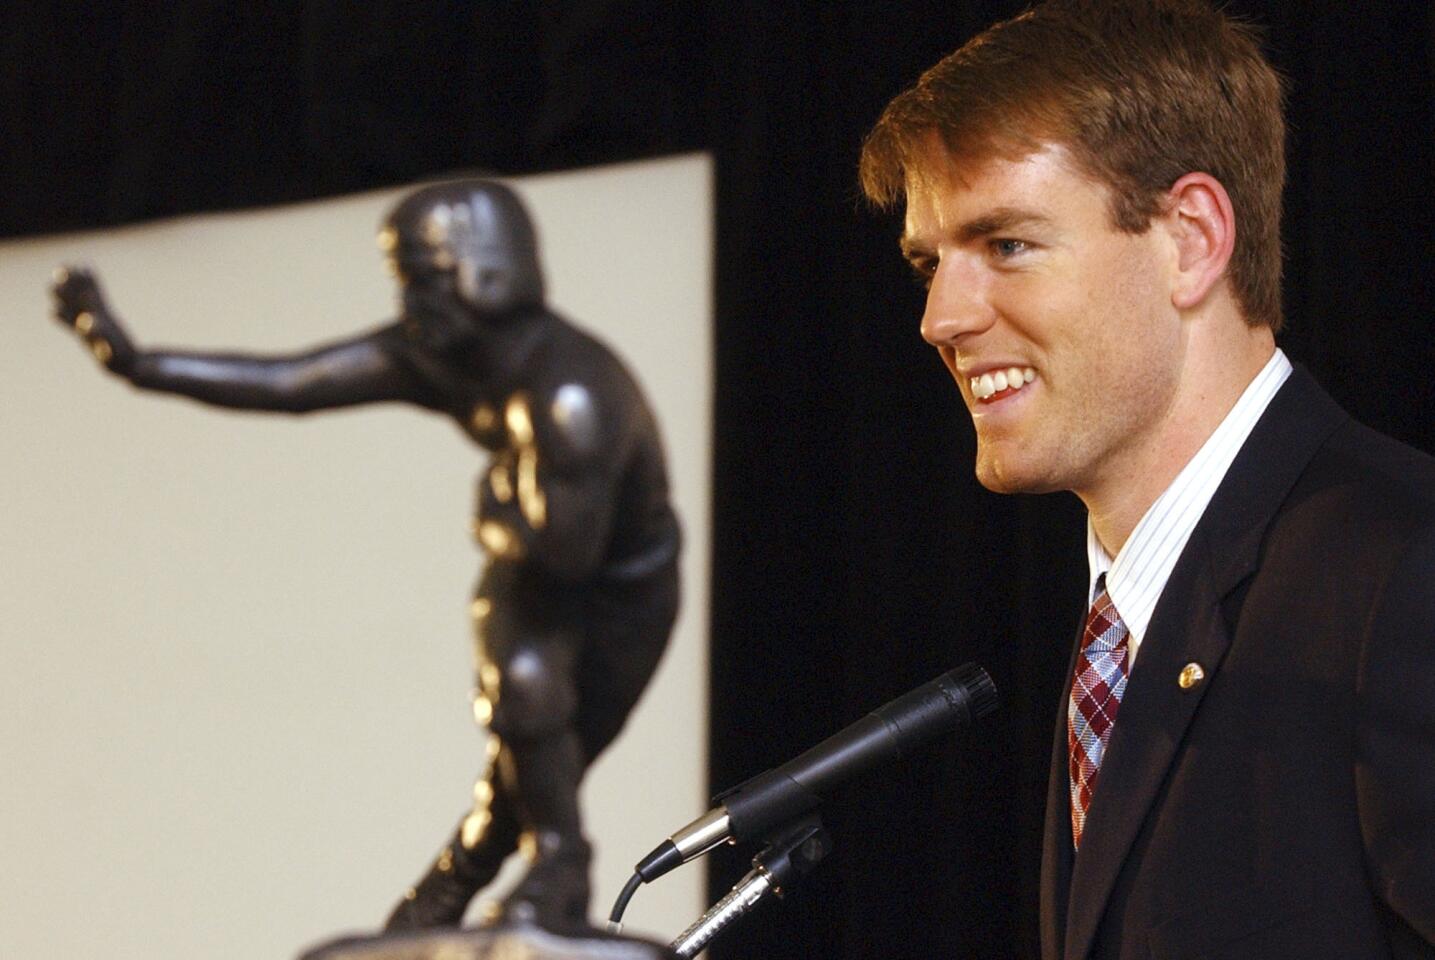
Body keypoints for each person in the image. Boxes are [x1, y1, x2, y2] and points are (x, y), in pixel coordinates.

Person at [858, 1, 1435, 957]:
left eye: (1005, 244)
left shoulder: (1403, 571)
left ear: (1192, 240)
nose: (940, 317)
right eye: (929, 262)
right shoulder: (1121, 628)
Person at [49, 180, 681, 933]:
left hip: (623, 590)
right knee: (521, 699)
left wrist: (492, 518)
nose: (411, 302)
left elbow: (566, 558)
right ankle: (552, 863)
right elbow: (290, 382)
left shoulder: (571, 395)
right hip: (538, 568)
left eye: (423, 279)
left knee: (541, 750)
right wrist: (139, 363)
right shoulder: (445, 358)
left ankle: (479, 879)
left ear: (482, 273)